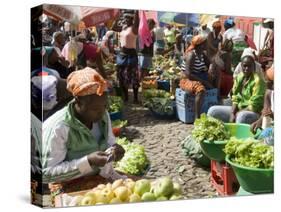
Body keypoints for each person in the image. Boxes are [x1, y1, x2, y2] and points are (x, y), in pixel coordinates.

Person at [42, 68, 125, 183]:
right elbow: (46, 174)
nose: (101, 112)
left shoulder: (103, 115)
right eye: (95, 108)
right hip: (69, 187)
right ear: (78, 101)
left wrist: (114, 149)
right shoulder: (59, 127)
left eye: (105, 105)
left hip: (100, 179)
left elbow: (109, 142)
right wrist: (87, 161)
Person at [207, 55, 266, 124]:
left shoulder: (258, 81)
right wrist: (232, 113)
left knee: (241, 116)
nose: (246, 68)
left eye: (249, 66)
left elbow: (254, 106)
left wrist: (238, 113)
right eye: (244, 66)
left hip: (253, 112)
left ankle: (237, 134)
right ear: (241, 66)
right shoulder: (239, 77)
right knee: (212, 111)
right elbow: (235, 97)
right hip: (239, 109)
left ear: (254, 67)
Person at [180, 35, 213, 119]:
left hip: (198, 76)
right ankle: (196, 117)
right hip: (187, 79)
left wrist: (210, 69)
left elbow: (210, 64)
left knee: (215, 76)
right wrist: (204, 82)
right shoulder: (191, 55)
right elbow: (188, 74)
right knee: (200, 90)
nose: (207, 45)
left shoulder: (202, 54)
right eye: (205, 43)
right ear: (201, 45)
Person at [114, 11, 140, 103]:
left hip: (131, 56)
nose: (125, 20)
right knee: (121, 77)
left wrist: (137, 10)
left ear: (132, 19)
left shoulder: (134, 28)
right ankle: (125, 97)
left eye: (128, 18)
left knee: (134, 78)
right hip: (121, 56)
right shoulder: (123, 28)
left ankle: (136, 98)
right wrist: (117, 16)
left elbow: (137, 20)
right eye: (125, 18)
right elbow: (113, 27)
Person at [251, 65, 274, 132]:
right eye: (266, 80)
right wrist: (258, 122)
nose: (266, 83)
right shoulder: (268, 94)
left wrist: (273, 115)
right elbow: (264, 114)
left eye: (269, 81)